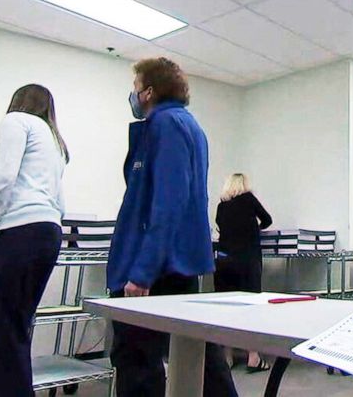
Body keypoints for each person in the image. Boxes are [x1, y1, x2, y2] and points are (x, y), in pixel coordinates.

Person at [106, 57, 238, 397]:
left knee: (137, 362)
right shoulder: (189, 126)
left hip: (153, 269)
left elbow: (168, 201)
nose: (133, 95)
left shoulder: (165, 126)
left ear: (149, 92)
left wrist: (142, 271)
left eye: (135, 88)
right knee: (196, 354)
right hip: (177, 262)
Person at [0, 85, 69, 396]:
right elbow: (59, 202)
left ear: (18, 101)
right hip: (48, 233)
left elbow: (2, 177)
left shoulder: (15, 121)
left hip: (19, 232)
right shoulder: (54, 139)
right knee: (16, 329)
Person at [214, 172, 272, 372]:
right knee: (251, 308)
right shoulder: (249, 199)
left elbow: (220, 227)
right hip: (247, 262)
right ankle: (253, 356)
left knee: (226, 308)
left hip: (224, 262)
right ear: (244, 185)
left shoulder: (221, 206)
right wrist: (254, 228)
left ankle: (227, 356)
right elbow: (267, 220)